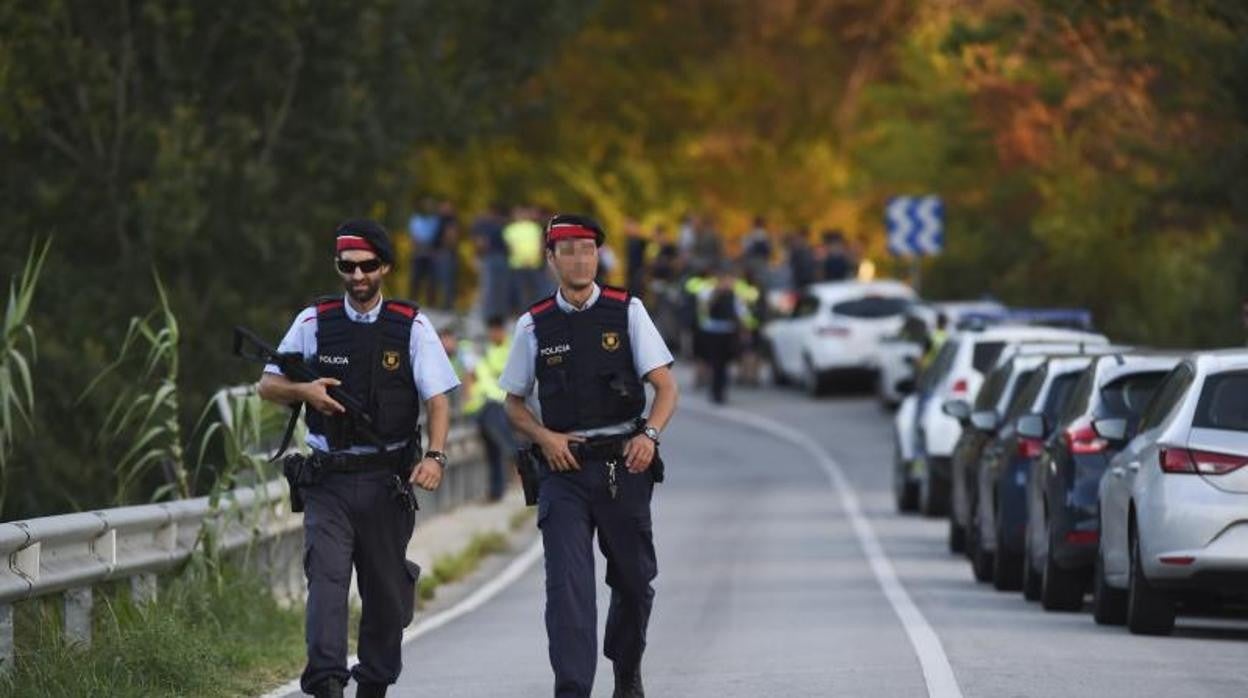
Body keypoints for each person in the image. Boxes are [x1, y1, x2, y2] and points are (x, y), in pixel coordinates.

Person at [257, 219, 460, 698]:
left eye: (368, 266)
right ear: (339, 268)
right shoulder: (314, 322)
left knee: (386, 597)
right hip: (327, 480)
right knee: (326, 585)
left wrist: (435, 456)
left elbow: (438, 401)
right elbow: (267, 384)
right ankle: (326, 682)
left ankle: (374, 684)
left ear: (384, 267)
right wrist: (304, 390)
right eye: (348, 266)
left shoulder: (411, 326)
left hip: (387, 482)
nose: (358, 276)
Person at [500, 214, 678, 698]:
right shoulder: (534, 325)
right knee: (568, 589)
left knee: (635, 581)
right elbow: (513, 403)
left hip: (625, 464)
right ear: (551, 258)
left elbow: (664, 387)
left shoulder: (627, 311)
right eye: (568, 250)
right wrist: (544, 437)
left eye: (587, 249)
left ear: (597, 255)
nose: (580, 259)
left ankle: (626, 668)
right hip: (564, 469)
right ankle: (573, 688)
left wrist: (651, 436)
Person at [449, 315, 518, 501]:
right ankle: (497, 490)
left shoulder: (508, 347)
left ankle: (523, 473)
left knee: (504, 444)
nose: (493, 334)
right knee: (493, 448)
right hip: (484, 402)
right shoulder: (480, 348)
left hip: (495, 401)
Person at [696, 264, 753, 404]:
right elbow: (705, 308)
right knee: (716, 363)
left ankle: (721, 390)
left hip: (729, 331)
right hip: (713, 331)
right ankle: (716, 392)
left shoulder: (735, 294)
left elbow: (741, 312)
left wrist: (745, 330)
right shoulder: (709, 291)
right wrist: (718, 293)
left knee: (725, 364)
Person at [472, 203, 511, 319]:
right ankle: (489, 313)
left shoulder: (498, 225)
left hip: (498, 257)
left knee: (497, 286)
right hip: (491, 257)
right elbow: (480, 243)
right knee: (489, 286)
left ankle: (497, 312)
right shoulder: (485, 225)